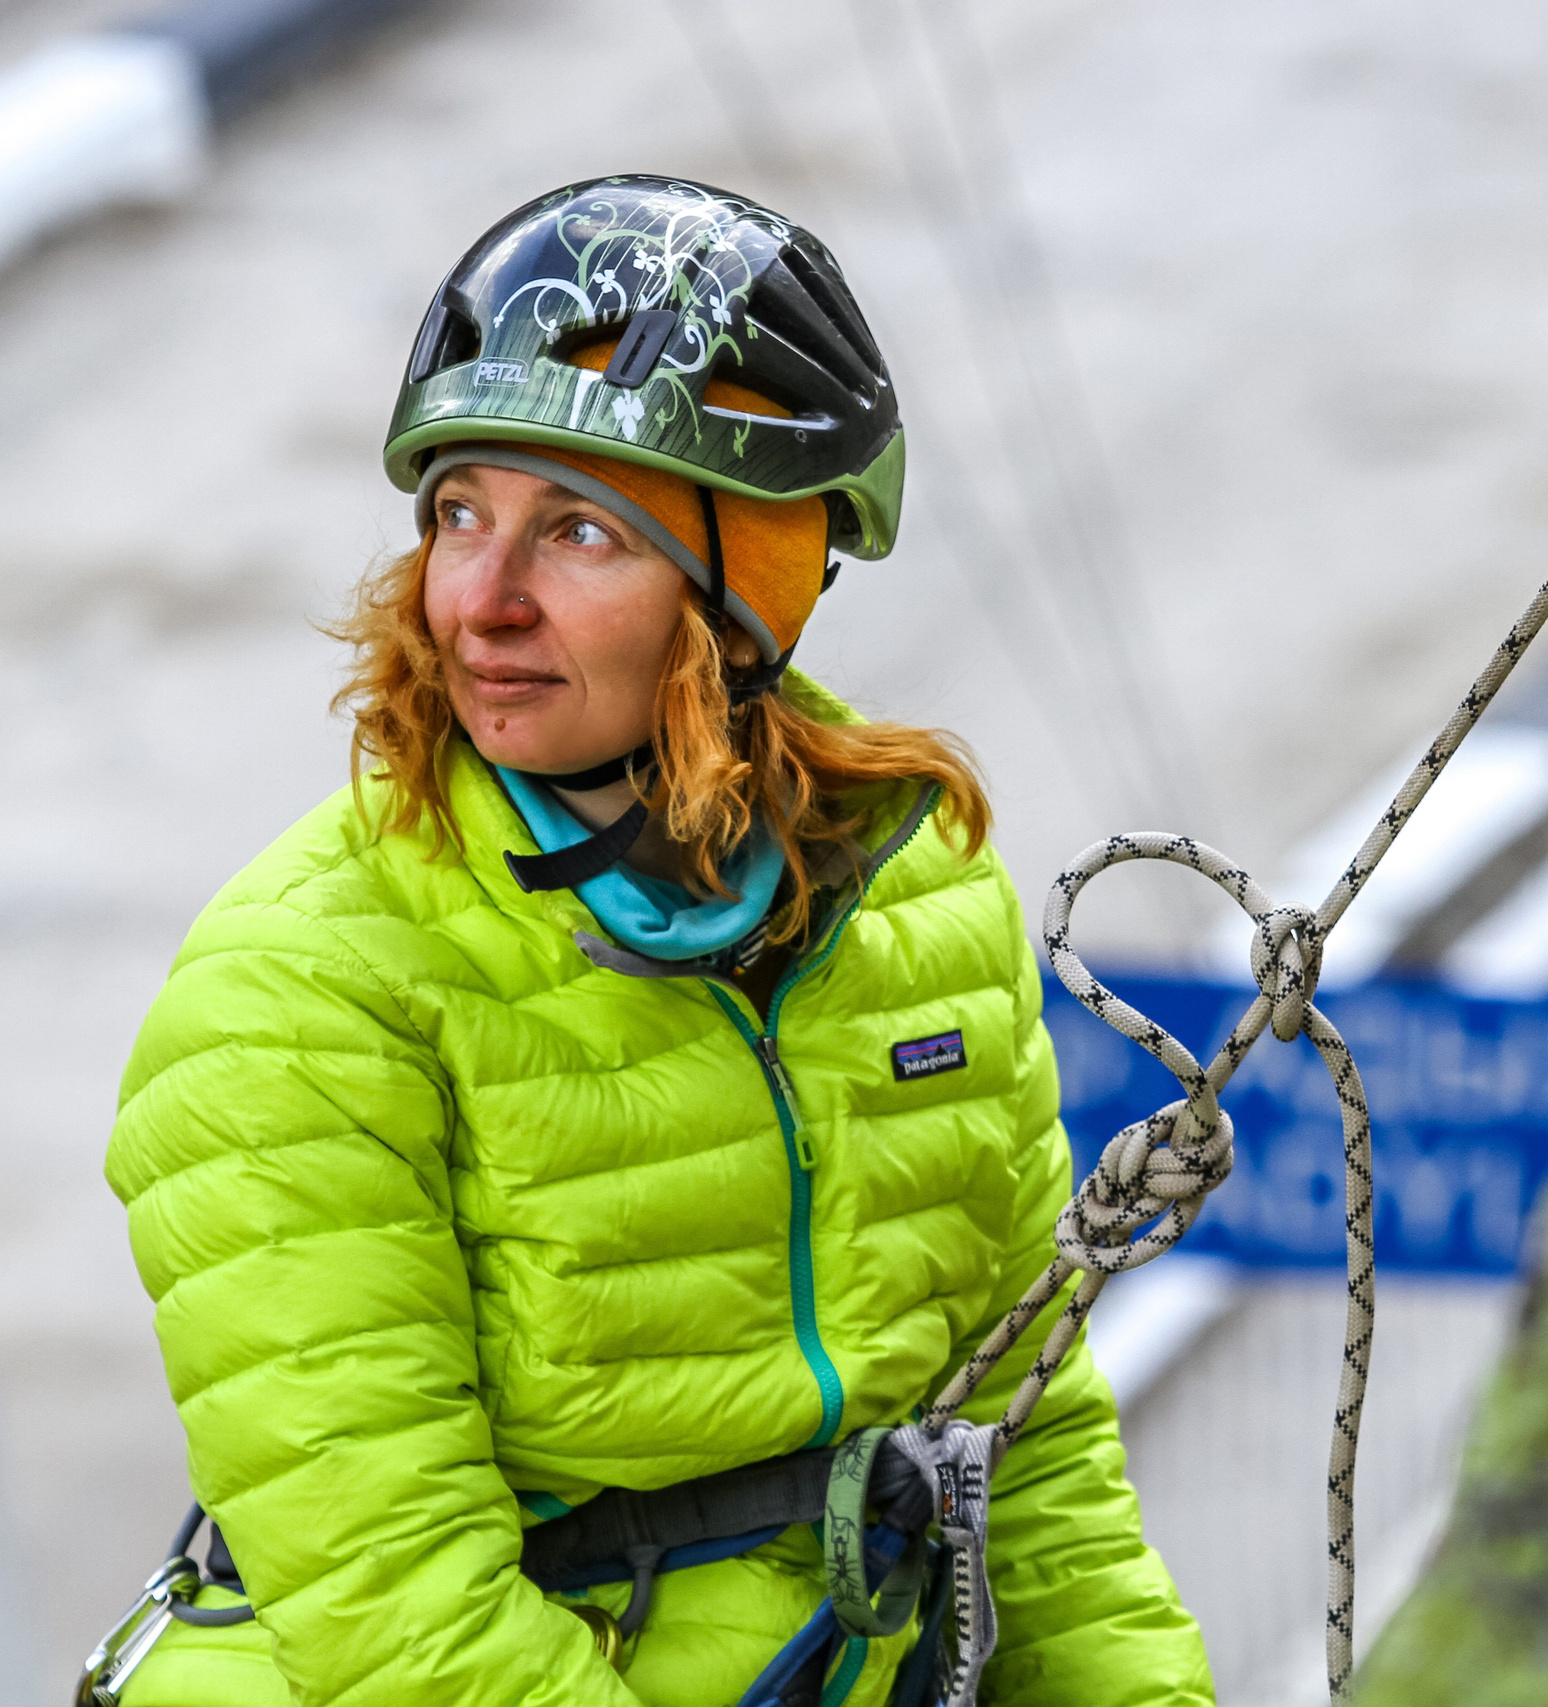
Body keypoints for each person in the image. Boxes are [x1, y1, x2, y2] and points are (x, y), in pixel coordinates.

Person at [100, 176, 1213, 1707]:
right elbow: (399, 1605)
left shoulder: (927, 908)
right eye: (457, 515)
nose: (478, 601)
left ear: (747, 587)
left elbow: (1027, 1452)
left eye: (578, 531)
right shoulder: (299, 992)